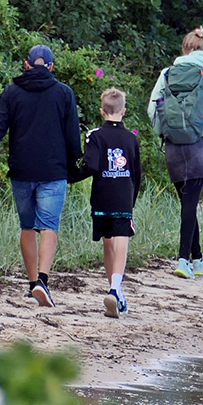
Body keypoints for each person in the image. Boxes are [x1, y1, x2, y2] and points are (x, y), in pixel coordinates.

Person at [0, 44, 82, 308]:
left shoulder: (12, 92)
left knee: (27, 226)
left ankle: (32, 285)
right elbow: (72, 138)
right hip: (53, 171)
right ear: (51, 67)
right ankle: (43, 280)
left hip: (21, 170)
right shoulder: (64, 93)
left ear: (26, 64)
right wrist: (75, 166)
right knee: (49, 227)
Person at [147, 26, 203, 280]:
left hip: (173, 144)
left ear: (184, 49)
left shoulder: (168, 73)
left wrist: (165, 132)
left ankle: (198, 259)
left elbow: (153, 108)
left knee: (187, 203)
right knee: (190, 203)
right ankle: (183, 260)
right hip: (199, 143)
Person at [69, 88, 143, 318]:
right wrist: (132, 200)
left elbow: (91, 165)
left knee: (108, 244)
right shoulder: (131, 138)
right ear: (124, 111)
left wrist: (70, 176)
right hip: (123, 196)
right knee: (122, 240)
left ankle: (116, 292)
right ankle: (115, 289)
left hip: (102, 196)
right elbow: (136, 173)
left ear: (102, 111)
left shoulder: (94, 136)